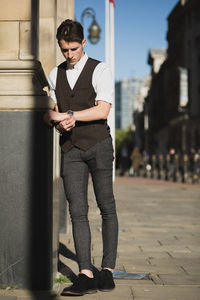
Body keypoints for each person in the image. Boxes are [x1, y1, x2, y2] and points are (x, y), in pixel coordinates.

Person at [43, 19, 118, 296]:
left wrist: (70, 116)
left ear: (83, 43)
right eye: (64, 50)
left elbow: (102, 110)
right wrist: (55, 119)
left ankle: (107, 269)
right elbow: (53, 110)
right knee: (77, 212)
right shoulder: (55, 74)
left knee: (106, 206)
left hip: (99, 144)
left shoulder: (100, 69)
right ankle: (85, 273)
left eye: (74, 48)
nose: (69, 54)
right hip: (71, 149)